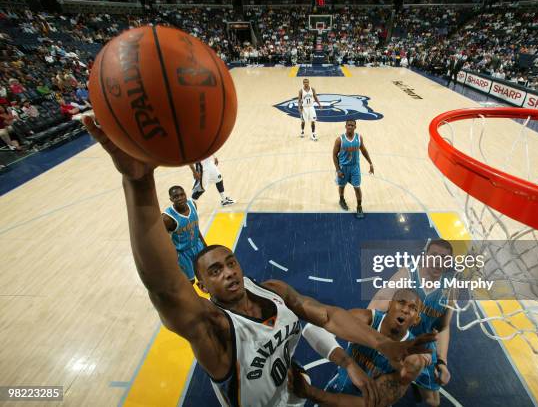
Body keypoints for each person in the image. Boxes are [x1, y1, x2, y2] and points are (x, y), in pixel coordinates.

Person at [82, 116, 436, 407]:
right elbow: (164, 288)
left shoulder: (273, 291)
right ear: (202, 286)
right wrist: (139, 183)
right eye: (215, 271)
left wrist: (381, 345)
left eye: (231, 262)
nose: (229, 272)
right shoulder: (211, 326)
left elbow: (326, 316)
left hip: (294, 397)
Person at [298, 289, 431, 406]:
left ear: (416, 320)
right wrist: (348, 363)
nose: (406, 310)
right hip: (334, 390)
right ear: (390, 305)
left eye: (413, 308)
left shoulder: (411, 358)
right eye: (401, 302)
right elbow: (311, 329)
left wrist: (313, 393)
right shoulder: (366, 319)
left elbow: (371, 403)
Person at [369, 239, 455, 407]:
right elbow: (375, 308)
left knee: (433, 402)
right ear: (425, 256)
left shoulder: (450, 289)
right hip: (396, 341)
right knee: (378, 395)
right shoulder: (407, 275)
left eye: (444, 258)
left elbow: (443, 327)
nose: (438, 261)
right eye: (434, 255)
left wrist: (442, 361)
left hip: (423, 348)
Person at [162, 185, 206, 283]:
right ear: (171, 199)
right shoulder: (167, 218)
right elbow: (162, 240)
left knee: (204, 273)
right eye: (176, 196)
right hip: (182, 253)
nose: (180, 198)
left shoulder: (193, 205)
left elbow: (195, 228)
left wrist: (204, 243)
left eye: (182, 195)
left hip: (197, 246)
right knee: (190, 282)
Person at [333, 119, 374, 219]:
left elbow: (363, 150)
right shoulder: (340, 139)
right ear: (345, 126)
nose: (350, 127)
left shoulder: (359, 138)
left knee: (357, 187)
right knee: (342, 186)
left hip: (355, 167)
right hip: (343, 167)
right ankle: (341, 199)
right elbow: (334, 155)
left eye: (352, 125)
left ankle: (359, 206)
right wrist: (338, 170)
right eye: (349, 125)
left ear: (355, 127)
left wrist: (370, 163)